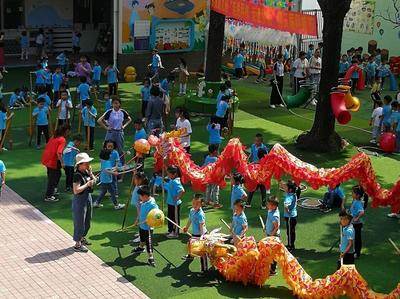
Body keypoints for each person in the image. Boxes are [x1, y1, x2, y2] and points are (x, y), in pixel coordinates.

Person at [72, 152, 96, 252]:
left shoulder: (86, 172)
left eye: (88, 163)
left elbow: (94, 180)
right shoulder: (77, 175)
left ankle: (82, 238)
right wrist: (87, 184)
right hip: (80, 200)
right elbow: (76, 190)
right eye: (85, 163)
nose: (88, 164)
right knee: (79, 222)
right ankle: (77, 244)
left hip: (87, 197)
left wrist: (91, 174)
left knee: (88, 220)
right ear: (79, 165)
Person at [98, 96, 132, 163]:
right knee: (106, 148)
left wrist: (124, 126)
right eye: (114, 103)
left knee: (120, 150)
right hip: (111, 132)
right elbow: (99, 120)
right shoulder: (109, 112)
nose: (115, 105)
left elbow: (129, 119)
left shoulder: (122, 112)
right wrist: (106, 127)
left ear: (119, 104)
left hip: (119, 132)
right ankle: (105, 163)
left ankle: (122, 164)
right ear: (112, 104)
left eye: (116, 103)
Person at [41, 124, 71, 202]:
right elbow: (59, 152)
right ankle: (49, 195)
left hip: (47, 159)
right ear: (66, 131)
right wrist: (62, 163)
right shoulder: (62, 139)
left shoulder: (54, 137)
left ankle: (53, 190)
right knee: (53, 178)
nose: (69, 133)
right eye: (69, 132)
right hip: (53, 161)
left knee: (57, 174)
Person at [132, 185, 158, 267]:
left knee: (149, 242)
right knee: (142, 238)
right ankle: (140, 247)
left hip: (148, 228)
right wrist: (137, 220)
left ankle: (151, 258)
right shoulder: (144, 202)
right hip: (142, 225)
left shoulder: (152, 204)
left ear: (145, 196)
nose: (139, 198)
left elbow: (157, 215)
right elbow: (140, 213)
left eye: (140, 196)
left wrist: (150, 219)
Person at [182, 194, 208, 275]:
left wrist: (202, 238)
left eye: (197, 204)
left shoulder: (200, 214)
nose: (194, 205)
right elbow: (190, 220)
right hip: (194, 234)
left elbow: (201, 226)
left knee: (202, 253)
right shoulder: (192, 211)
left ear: (201, 204)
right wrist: (186, 227)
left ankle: (204, 270)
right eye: (193, 203)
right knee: (190, 243)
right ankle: (190, 256)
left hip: (201, 234)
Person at [164, 166, 185, 238]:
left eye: (168, 174)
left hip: (175, 204)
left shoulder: (175, 181)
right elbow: (169, 187)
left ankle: (176, 232)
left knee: (175, 218)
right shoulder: (171, 180)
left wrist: (177, 197)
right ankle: (171, 230)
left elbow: (182, 190)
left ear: (174, 174)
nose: (167, 175)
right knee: (170, 217)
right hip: (170, 202)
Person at [265, 196, 280, 275]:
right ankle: (271, 266)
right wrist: (265, 226)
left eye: (269, 204)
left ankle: (273, 270)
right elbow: (268, 220)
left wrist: (271, 235)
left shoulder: (274, 216)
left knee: (273, 254)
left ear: (274, 206)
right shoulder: (271, 210)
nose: (267, 205)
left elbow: (276, 227)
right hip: (269, 234)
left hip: (273, 236)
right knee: (269, 252)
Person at [349, 185, 365, 258]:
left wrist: (356, 218)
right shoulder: (355, 200)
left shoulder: (358, 202)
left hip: (357, 224)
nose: (351, 194)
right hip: (354, 223)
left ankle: (357, 253)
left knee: (357, 239)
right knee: (353, 237)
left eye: (353, 193)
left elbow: (362, 212)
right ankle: (353, 250)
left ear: (358, 195)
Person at [281, 180, 297, 252]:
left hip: (290, 217)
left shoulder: (289, 197)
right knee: (291, 231)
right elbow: (284, 186)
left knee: (290, 232)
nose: (284, 188)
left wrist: (287, 212)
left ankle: (290, 246)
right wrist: (282, 183)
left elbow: (286, 205)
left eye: (286, 187)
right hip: (293, 216)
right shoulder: (293, 194)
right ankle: (291, 244)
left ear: (290, 189)